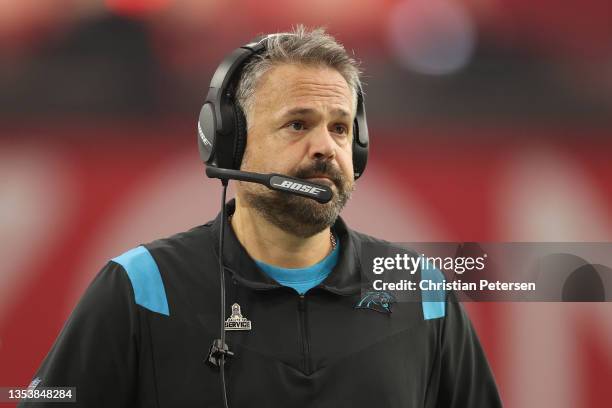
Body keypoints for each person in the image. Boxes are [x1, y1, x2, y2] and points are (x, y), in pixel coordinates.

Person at [20, 26, 502, 407]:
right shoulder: (143, 287)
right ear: (230, 141)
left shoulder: (423, 294)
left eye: (339, 128)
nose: (325, 149)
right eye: (298, 124)